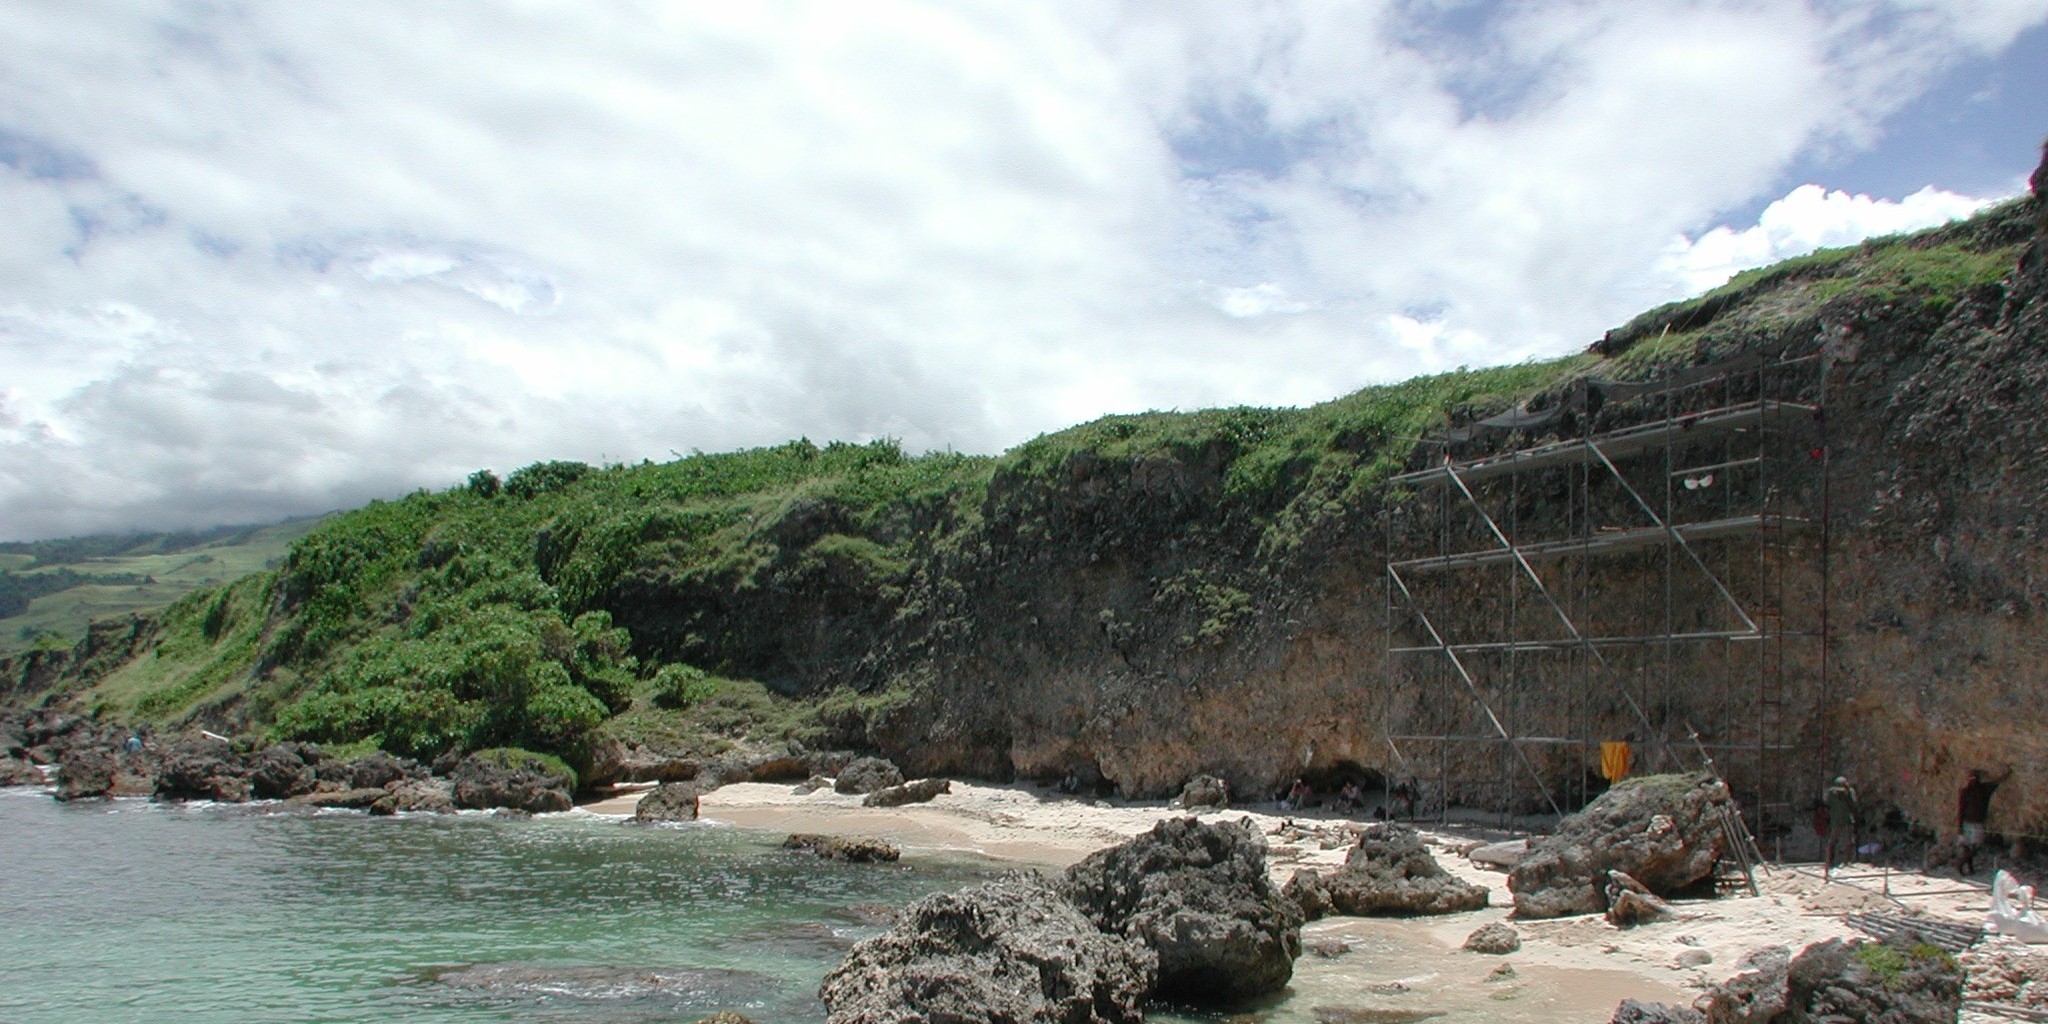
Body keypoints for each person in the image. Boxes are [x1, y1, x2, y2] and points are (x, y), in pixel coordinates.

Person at [1958, 766, 2014, 875]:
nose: (1972, 780)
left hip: (1976, 822)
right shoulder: (1968, 791)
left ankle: (1964, 864)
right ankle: (1966, 866)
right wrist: (1959, 826)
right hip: (1969, 822)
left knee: (1975, 846)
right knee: (1969, 846)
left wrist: (2008, 773)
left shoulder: (1983, 790)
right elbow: (1961, 809)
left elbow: (1998, 781)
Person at [1821, 775, 1858, 878]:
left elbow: (1854, 805)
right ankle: (1832, 862)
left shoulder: (1848, 793)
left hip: (1844, 821)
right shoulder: (1833, 793)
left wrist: (1847, 795)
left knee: (1848, 842)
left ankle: (1845, 862)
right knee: (1834, 842)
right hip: (1838, 821)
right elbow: (1827, 803)